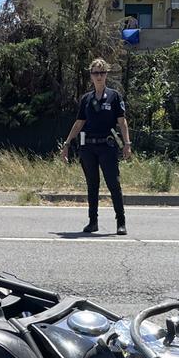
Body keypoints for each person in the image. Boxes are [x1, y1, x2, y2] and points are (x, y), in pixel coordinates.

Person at [61, 58, 131, 235]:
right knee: (92, 185)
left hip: (107, 146)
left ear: (106, 74)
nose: (99, 76)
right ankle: (93, 221)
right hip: (88, 147)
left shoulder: (114, 96)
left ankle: (120, 222)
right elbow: (78, 123)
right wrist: (67, 143)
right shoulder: (86, 99)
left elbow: (122, 122)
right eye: (95, 73)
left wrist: (127, 144)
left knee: (113, 184)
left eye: (102, 72)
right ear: (91, 75)